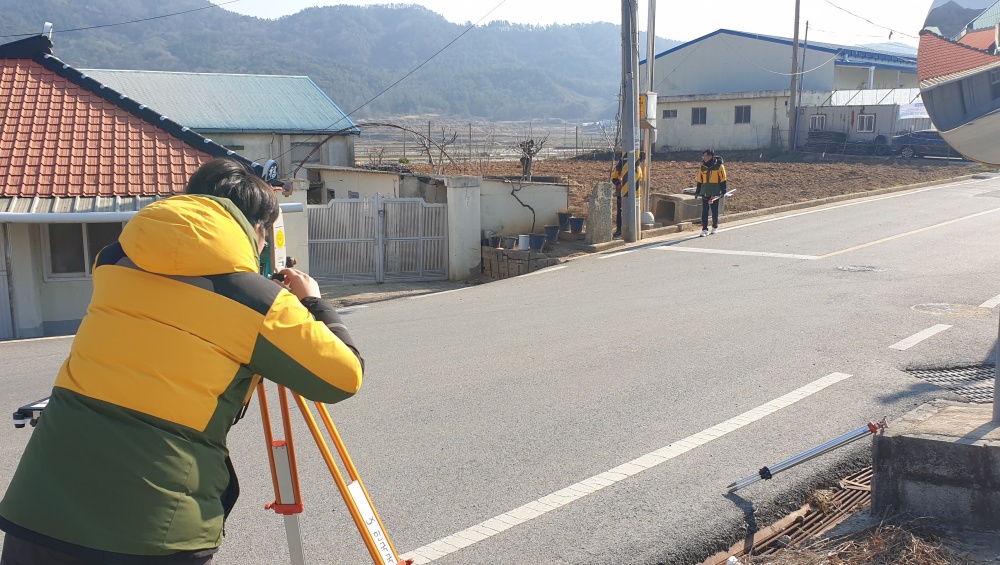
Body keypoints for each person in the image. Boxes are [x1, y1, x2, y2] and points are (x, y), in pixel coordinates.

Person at [0, 158, 365, 564]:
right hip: (148, 532)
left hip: (39, 508)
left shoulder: (114, 262)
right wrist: (311, 301)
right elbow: (343, 377)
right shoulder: (255, 302)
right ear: (256, 230)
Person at [611, 150, 645, 238]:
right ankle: (619, 229)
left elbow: (640, 178)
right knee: (620, 211)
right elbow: (614, 178)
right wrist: (618, 184)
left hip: (634, 193)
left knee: (633, 210)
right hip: (621, 193)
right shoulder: (619, 167)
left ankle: (633, 228)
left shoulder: (637, 166)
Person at [695, 148, 728, 236]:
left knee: (714, 210)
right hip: (705, 191)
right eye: (703, 156)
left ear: (710, 156)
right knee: (704, 211)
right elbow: (699, 180)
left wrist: (723, 191)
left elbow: (723, 179)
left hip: (715, 191)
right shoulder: (703, 167)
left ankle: (714, 227)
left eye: (705, 156)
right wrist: (697, 192)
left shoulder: (719, 166)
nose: (704, 158)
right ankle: (704, 229)